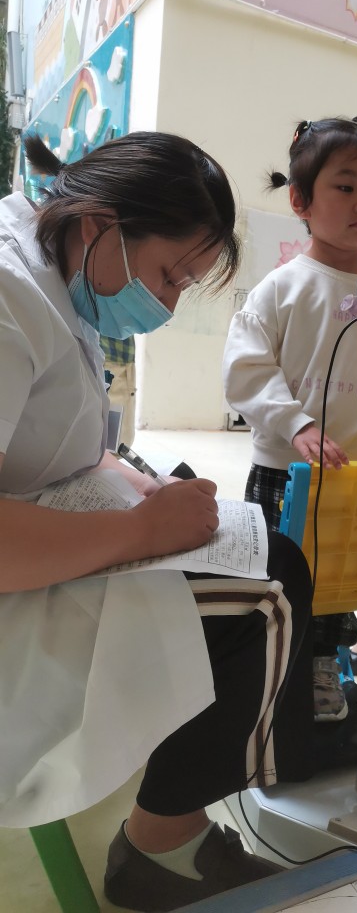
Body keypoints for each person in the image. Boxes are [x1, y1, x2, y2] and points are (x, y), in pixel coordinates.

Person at [0, 133, 316, 911]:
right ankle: (161, 849)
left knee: (256, 552)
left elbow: (49, 446)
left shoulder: (48, 269)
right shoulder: (9, 297)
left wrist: (132, 481)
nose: (169, 304)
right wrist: (142, 533)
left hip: (49, 532)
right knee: (270, 591)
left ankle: (168, 807)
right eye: (170, 275)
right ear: (98, 224)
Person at [223, 117, 357, 723]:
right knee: (279, 577)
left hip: (354, 477)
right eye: (345, 186)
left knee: (340, 581)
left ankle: (321, 668)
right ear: (300, 201)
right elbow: (248, 369)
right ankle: (268, 668)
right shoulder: (281, 287)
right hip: (286, 470)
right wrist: (296, 423)